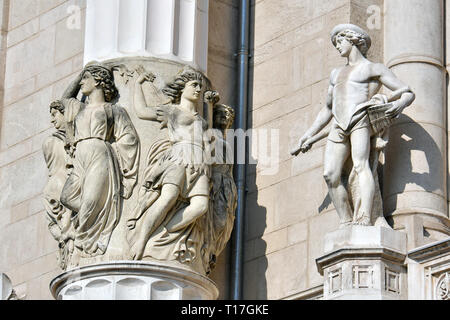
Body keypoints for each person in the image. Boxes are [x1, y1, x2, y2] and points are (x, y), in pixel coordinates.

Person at [291, 24, 415, 227]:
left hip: (359, 120)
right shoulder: (336, 74)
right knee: (330, 175)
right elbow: (328, 109)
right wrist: (308, 134)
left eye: (340, 41)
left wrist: (399, 103)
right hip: (338, 126)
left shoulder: (373, 68)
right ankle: (346, 221)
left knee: (360, 165)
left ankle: (365, 216)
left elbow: (407, 91)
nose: (337, 46)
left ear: (353, 40)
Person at [127, 68, 216, 261]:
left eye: (200, 85)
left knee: (201, 206)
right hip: (179, 156)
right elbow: (141, 112)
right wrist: (138, 84)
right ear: (182, 89)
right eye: (194, 85)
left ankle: (164, 235)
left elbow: (207, 139)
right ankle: (142, 239)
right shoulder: (173, 111)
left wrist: (209, 105)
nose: (198, 89)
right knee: (168, 198)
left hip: (199, 162)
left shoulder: (201, 119)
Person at [59, 63, 140, 258]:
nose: (82, 83)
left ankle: (91, 235)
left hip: (99, 153)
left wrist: (117, 154)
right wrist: (82, 72)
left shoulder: (112, 110)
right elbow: (65, 99)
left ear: (97, 81)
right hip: (80, 155)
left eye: (86, 79)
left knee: (91, 200)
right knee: (66, 197)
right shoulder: (79, 108)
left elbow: (128, 137)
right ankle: (97, 211)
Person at [42, 100, 75, 269]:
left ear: (64, 113)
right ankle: (68, 246)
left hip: (53, 187)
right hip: (63, 185)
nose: (52, 120)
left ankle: (65, 245)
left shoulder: (51, 141)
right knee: (65, 220)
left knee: (57, 222)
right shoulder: (63, 139)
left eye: (55, 115)